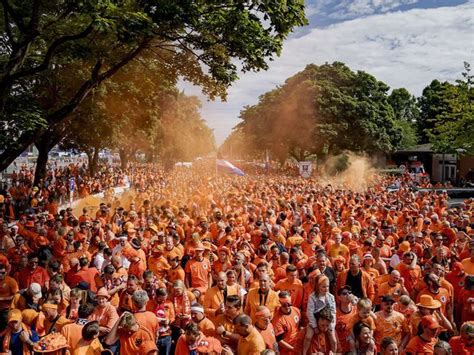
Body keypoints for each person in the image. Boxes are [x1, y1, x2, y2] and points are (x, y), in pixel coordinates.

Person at [304, 274, 337, 354]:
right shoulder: (312, 297)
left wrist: (331, 325)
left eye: (327, 286)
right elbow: (310, 312)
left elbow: (333, 311)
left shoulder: (331, 297)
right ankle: (304, 352)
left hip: (328, 320)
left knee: (333, 339)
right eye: (323, 287)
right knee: (308, 337)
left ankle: (334, 352)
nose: (326, 289)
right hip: (315, 320)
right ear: (318, 286)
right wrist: (315, 326)